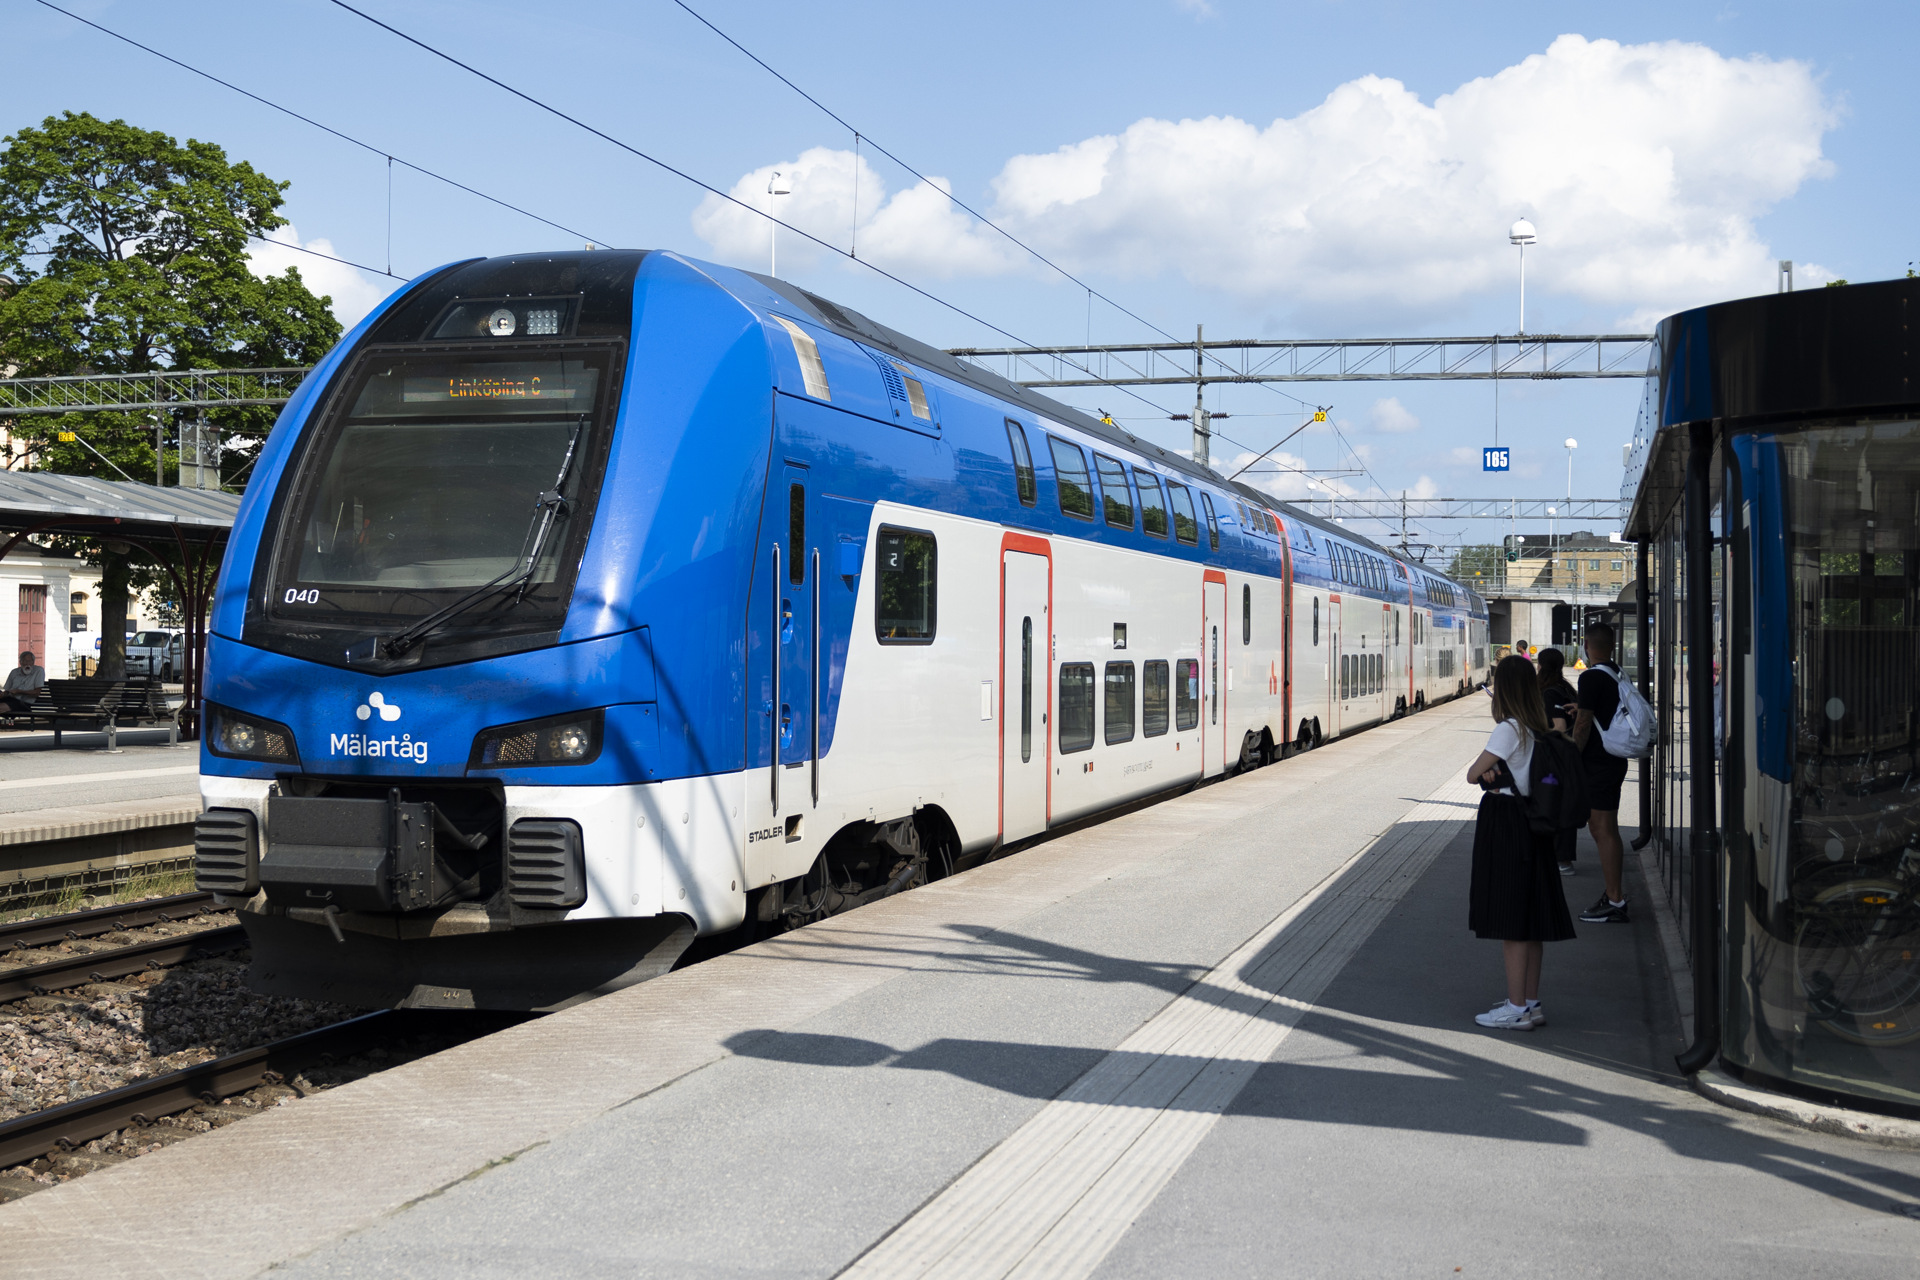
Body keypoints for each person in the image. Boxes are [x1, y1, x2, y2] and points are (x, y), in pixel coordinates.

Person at [1465, 654, 1577, 1031]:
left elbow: (1472, 774)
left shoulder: (1507, 729)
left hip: (1507, 823)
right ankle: (1530, 1002)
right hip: (1534, 822)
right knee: (1531, 917)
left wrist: (1488, 772)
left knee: (1512, 918)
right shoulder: (1537, 724)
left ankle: (1515, 1009)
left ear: (1504, 690)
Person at [1573, 623, 1632, 923]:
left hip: (1599, 763)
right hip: (1612, 761)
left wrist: (1572, 756)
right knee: (1603, 827)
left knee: (1603, 829)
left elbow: (1583, 724)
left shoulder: (1591, 676)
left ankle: (1615, 900)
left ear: (1586, 645)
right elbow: (1602, 710)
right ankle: (1614, 895)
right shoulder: (1617, 673)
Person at [1536, 648, 1582, 877]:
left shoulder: (1550, 692)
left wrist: (1535, 731)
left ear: (1541, 665)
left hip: (1554, 758)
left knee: (1553, 806)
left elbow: (1560, 727)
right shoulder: (1566, 688)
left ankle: (1561, 859)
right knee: (1563, 807)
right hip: (1568, 756)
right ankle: (1562, 858)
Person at [2, 650, 46, 721]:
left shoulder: (38, 671)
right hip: (11, 699)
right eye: (25, 661)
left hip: (24, 703)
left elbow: (37, 693)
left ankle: (7, 723)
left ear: (33, 662)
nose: (27, 664)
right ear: (20, 662)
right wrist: (3, 694)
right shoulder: (14, 672)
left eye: (30, 661)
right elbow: (7, 690)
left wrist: (19, 691)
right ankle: (7, 723)